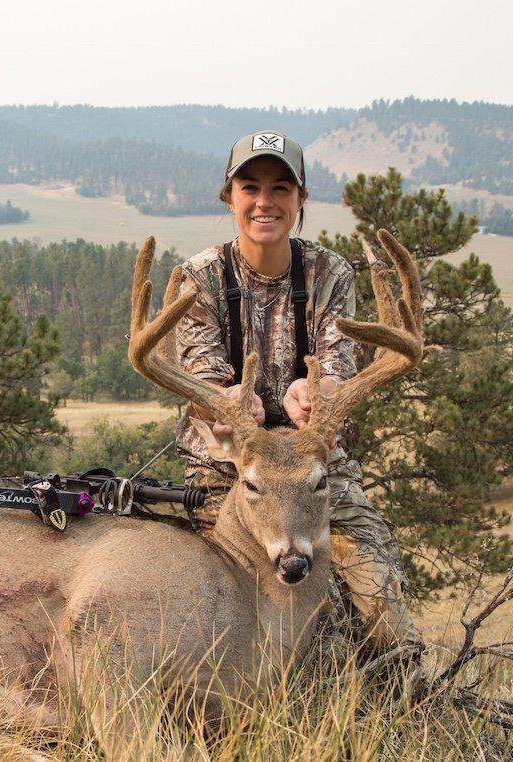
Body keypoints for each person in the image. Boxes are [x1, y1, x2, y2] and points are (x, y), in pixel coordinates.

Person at [173, 131, 423, 660]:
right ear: (230, 197)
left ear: (301, 199)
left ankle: (397, 703)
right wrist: (226, 401)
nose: (265, 202)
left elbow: (337, 365)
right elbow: (202, 374)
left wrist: (319, 393)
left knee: (383, 606)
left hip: (315, 479)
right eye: (250, 187)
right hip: (229, 479)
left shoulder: (330, 273)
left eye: (281, 187)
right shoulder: (199, 279)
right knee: (209, 614)